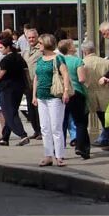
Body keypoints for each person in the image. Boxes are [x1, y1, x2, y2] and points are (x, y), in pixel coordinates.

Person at [34, 33, 71, 166]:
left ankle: (59, 155)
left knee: (56, 126)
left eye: (40, 43)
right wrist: (34, 95)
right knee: (44, 127)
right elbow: (36, 78)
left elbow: (65, 74)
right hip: (41, 95)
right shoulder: (40, 59)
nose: (38, 45)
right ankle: (48, 154)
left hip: (54, 95)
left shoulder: (58, 58)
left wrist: (66, 91)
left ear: (46, 44)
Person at [0, 34, 30, 146]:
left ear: (8, 47)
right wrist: (28, 85)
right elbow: (26, 72)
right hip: (19, 88)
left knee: (9, 113)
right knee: (11, 111)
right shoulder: (19, 58)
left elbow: (0, 75)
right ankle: (5, 138)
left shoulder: (6, 60)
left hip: (7, 89)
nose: (0, 50)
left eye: (1, 48)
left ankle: (22, 134)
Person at [58, 39, 90, 159]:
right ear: (69, 48)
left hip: (62, 93)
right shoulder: (77, 61)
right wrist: (88, 84)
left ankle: (59, 150)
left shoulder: (59, 61)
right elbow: (81, 79)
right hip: (76, 92)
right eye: (72, 45)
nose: (75, 46)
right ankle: (81, 147)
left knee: (62, 122)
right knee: (80, 122)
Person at [81, 41, 109, 149]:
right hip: (105, 93)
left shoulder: (82, 62)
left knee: (96, 118)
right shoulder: (106, 62)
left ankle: (105, 139)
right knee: (108, 118)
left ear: (84, 51)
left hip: (90, 93)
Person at [21, 27, 42, 139]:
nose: (31, 39)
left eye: (33, 37)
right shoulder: (25, 50)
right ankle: (36, 130)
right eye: (29, 38)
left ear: (37, 37)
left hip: (38, 82)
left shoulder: (41, 50)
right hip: (27, 83)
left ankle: (41, 131)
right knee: (30, 108)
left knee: (38, 108)